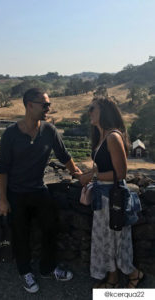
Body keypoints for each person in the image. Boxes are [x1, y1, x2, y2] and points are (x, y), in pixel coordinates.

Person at [0, 88, 82, 293]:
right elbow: (3, 169)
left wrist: (79, 174)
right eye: (44, 104)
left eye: (49, 104)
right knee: (20, 234)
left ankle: (48, 267)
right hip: (16, 193)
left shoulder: (49, 131)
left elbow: (64, 156)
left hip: (38, 189)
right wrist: (2, 200)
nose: (48, 108)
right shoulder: (11, 134)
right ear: (29, 105)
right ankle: (24, 271)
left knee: (51, 228)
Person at [75, 97, 144, 288]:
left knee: (117, 240)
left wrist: (92, 177)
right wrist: (91, 173)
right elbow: (102, 167)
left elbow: (120, 173)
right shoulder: (102, 136)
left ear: (103, 111)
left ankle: (134, 274)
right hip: (103, 197)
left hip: (113, 197)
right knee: (106, 240)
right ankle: (112, 279)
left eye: (92, 109)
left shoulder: (113, 137)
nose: (89, 112)